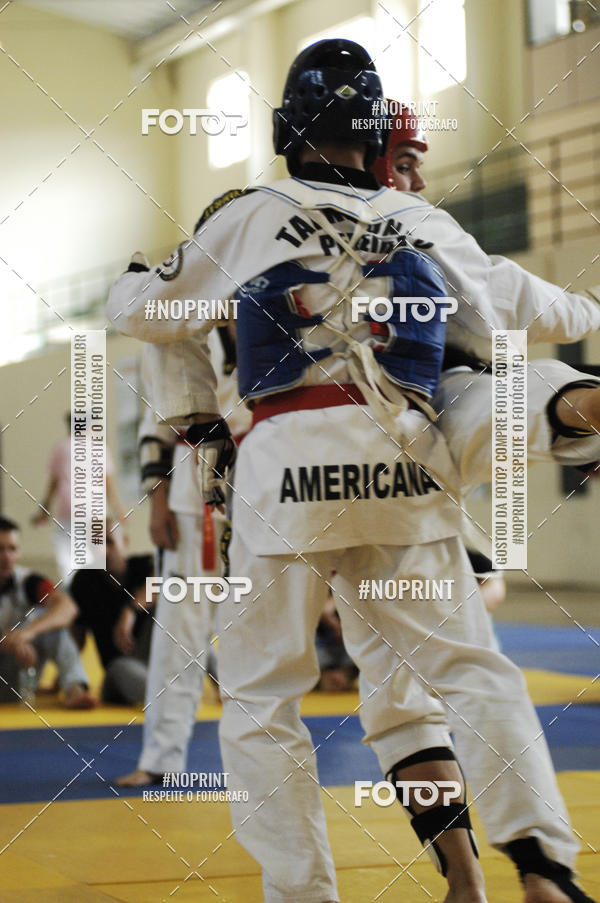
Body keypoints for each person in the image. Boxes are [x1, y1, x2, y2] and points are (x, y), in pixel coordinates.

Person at [106, 40, 600, 903]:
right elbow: (520, 308)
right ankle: (544, 866)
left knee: (264, 701)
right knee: (471, 673)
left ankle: (305, 893)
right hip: (405, 456)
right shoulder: (425, 221)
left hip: (284, 465)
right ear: (376, 142)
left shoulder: (247, 214)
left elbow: (151, 316)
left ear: (287, 127)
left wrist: (131, 284)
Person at [118, 329, 249, 786]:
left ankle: (258, 760)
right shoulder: (178, 331)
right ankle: (161, 759)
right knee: (179, 632)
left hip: (261, 484)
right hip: (191, 498)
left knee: (254, 633)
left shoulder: (275, 310)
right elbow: (155, 425)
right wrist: (156, 500)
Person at [0, 516, 97, 708]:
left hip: (17, 674)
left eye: (12, 549)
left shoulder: (28, 582)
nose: (6, 556)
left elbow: (68, 608)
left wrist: (26, 634)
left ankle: (75, 688)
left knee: (53, 625)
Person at [33, 412, 129, 586]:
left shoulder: (61, 448)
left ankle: (75, 600)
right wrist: (118, 511)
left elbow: (53, 484)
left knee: (69, 562)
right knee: (99, 559)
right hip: (95, 512)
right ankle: (98, 596)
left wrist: (43, 511)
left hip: (68, 511)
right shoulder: (99, 448)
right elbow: (107, 484)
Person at [70, 526, 153, 704]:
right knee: (121, 669)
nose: (104, 551)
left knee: (182, 620)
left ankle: (221, 686)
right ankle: (165, 694)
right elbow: (78, 638)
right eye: (96, 545)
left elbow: (162, 582)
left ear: (125, 541)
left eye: (109, 542)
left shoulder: (144, 567)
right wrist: (67, 680)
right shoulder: (84, 581)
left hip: (156, 663)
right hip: (119, 669)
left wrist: (130, 610)